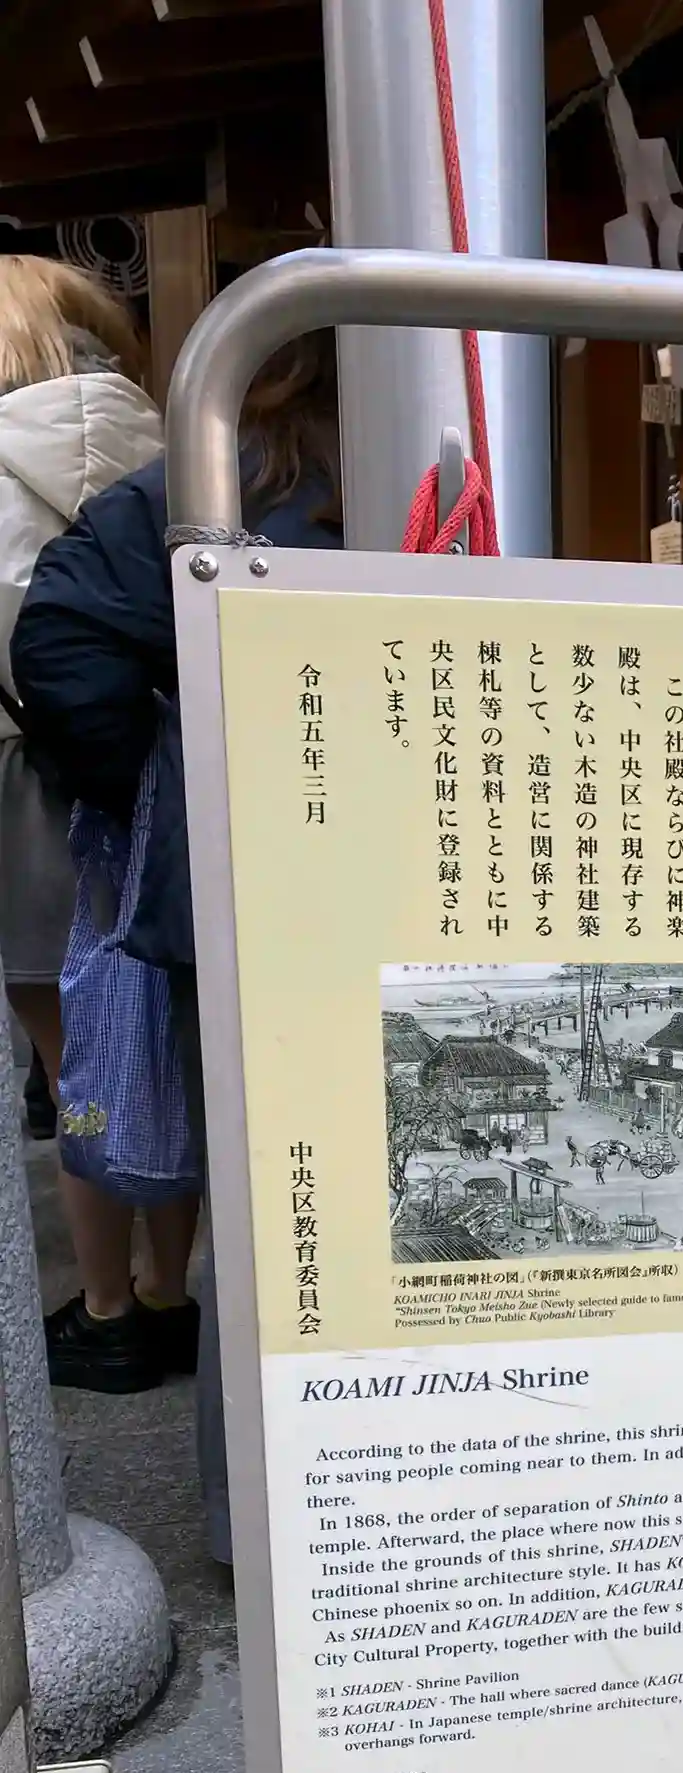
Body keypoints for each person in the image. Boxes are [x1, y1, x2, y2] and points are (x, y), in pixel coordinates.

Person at [13, 335, 340, 1516]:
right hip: (361, 875)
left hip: (236, 877)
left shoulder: (222, 467)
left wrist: (161, 797)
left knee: (251, 1176)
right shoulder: (245, 463)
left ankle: (254, 1487)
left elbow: (57, 638)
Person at [0, 257, 168, 1384]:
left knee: (78, 1066)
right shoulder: (180, 431)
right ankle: (169, 1289)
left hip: (28, 787)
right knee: (167, 1037)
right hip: (167, 768)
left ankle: (106, 1311)